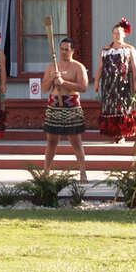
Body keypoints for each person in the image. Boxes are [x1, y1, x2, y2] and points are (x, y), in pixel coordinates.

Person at [42, 37, 90, 181]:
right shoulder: (52, 66)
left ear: (73, 51)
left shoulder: (78, 67)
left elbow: (83, 87)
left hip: (71, 105)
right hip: (54, 104)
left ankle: (83, 172)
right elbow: (44, 89)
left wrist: (64, 82)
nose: (63, 52)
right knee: (51, 141)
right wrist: (52, 79)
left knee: (75, 140)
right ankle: (46, 172)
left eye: (66, 49)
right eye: (61, 49)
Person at [94, 17, 136, 142]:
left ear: (124, 34)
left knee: (123, 107)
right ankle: (113, 134)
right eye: (114, 33)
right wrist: (97, 82)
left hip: (123, 83)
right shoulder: (105, 50)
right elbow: (100, 66)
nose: (116, 35)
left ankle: (122, 134)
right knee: (110, 107)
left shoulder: (129, 49)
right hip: (109, 84)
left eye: (119, 33)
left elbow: (135, 67)